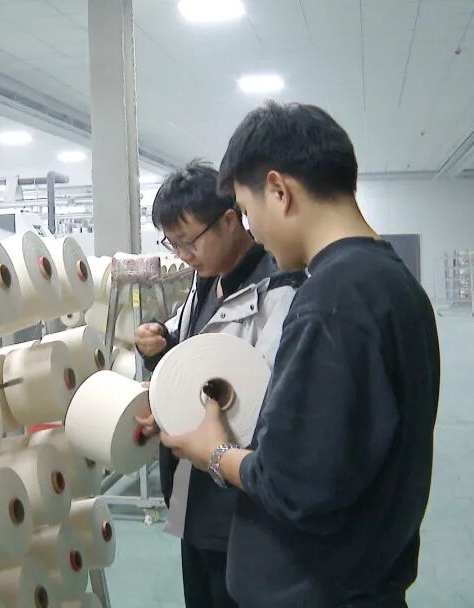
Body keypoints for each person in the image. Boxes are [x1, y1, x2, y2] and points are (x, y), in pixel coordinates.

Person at [162, 101, 441, 608]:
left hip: (322, 588)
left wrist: (216, 453)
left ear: (279, 190)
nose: (253, 230)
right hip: (366, 574)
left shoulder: (332, 301)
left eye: (248, 212)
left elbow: (293, 485)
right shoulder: (392, 284)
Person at [133, 159, 302, 608]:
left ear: (231, 220)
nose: (184, 254)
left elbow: (264, 395)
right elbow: (192, 354)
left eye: (190, 241)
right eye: (173, 243)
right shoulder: (205, 281)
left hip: (241, 496)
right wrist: (159, 342)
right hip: (195, 492)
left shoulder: (279, 289)